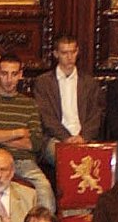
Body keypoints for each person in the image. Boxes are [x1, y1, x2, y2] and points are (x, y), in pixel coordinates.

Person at [0, 55, 51, 191]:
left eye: (14, 74)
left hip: (23, 162)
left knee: (44, 188)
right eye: (4, 73)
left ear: (20, 75)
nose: (9, 80)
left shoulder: (30, 104)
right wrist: (18, 133)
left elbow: (35, 143)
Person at [34, 34, 104, 166]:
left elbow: (95, 115)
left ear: (77, 52)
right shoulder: (43, 82)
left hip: (85, 138)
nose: (69, 57)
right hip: (56, 139)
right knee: (67, 159)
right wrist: (67, 138)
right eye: (64, 53)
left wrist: (82, 137)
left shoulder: (89, 83)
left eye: (72, 52)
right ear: (56, 54)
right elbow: (46, 117)